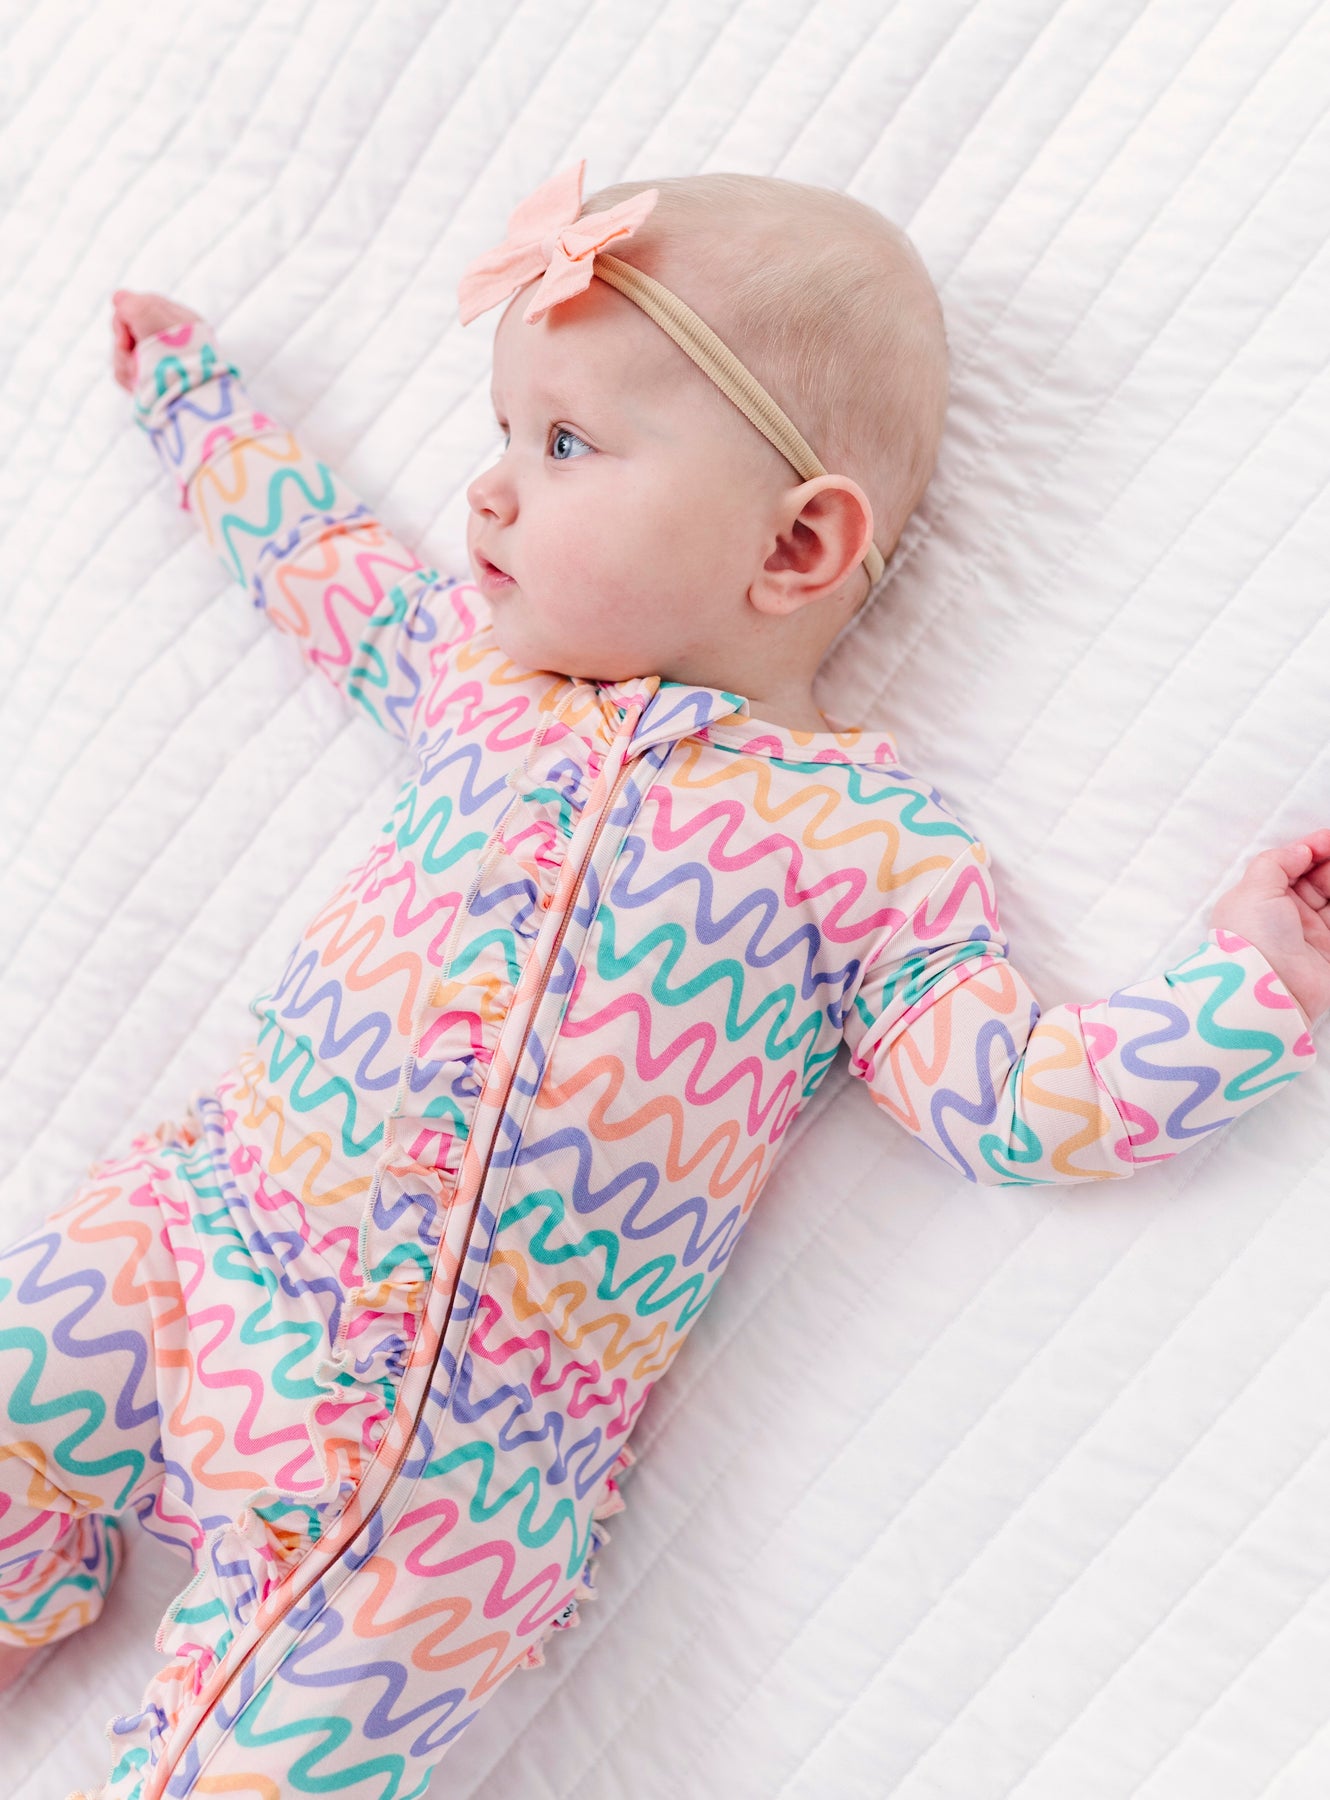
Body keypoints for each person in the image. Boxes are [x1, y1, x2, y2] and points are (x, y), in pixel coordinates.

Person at [1, 159, 1326, 1800]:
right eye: (502, 432)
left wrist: (1244, 986)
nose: (490, 492)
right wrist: (197, 407)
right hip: (193, 1253)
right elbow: (322, 564)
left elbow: (1013, 1102)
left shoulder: (863, 847)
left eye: (561, 445)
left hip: (444, 1483)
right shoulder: (481, 680)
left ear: (797, 542)